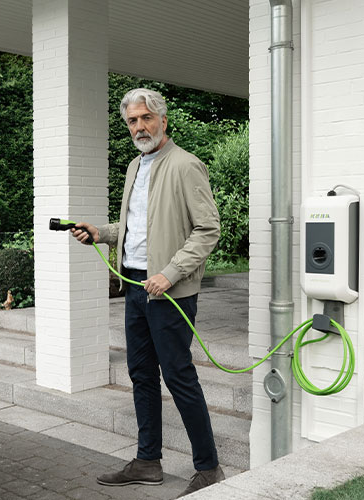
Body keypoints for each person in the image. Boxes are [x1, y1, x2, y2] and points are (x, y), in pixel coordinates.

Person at [70, 88, 224, 497]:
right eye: (132, 121)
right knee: (140, 375)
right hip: (135, 288)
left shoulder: (186, 166)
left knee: (178, 376)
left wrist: (170, 273)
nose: (139, 126)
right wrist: (100, 234)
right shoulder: (135, 168)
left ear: (163, 121)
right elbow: (138, 230)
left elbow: (208, 230)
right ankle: (147, 461)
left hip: (168, 292)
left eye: (145, 118)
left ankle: (208, 469)